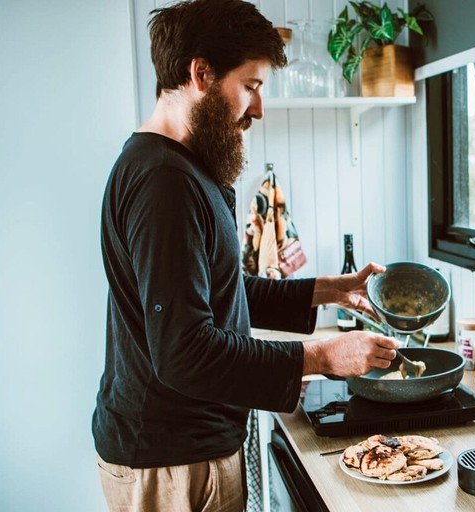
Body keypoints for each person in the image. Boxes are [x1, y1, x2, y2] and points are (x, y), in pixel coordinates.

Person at [91, 1, 398, 511]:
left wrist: (326, 290)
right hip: (170, 463)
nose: (258, 109)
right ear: (201, 74)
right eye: (252, 86)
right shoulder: (163, 182)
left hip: (181, 450)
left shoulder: (182, 168)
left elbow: (217, 290)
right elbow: (184, 351)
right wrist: (320, 357)